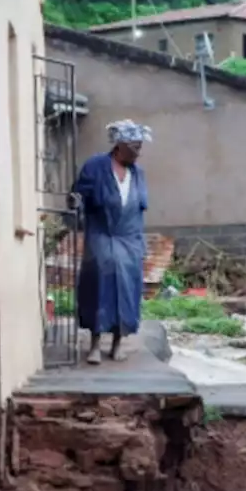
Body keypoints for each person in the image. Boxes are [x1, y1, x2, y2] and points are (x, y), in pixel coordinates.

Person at [70, 119, 152, 365]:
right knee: (98, 287)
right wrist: (75, 205)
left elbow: (138, 211)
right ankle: (95, 344)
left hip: (129, 240)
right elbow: (78, 196)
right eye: (135, 147)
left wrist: (140, 246)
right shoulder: (96, 167)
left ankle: (118, 343)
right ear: (120, 146)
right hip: (102, 235)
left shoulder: (138, 174)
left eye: (140, 147)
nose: (139, 152)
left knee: (126, 291)